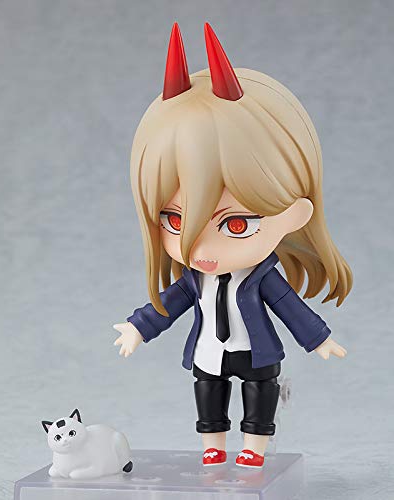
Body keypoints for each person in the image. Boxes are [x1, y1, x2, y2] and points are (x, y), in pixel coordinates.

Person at [113, 23, 352, 468]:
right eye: (175, 220)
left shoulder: (263, 277)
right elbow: (168, 303)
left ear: (294, 215)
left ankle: (253, 447)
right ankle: (213, 443)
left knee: (260, 393)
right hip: (209, 352)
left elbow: (291, 308)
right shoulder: (194, 278)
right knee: (208, 392)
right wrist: (138, 328)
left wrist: (318, 339)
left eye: (236, 223)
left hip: (256, 352)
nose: (201, 247)